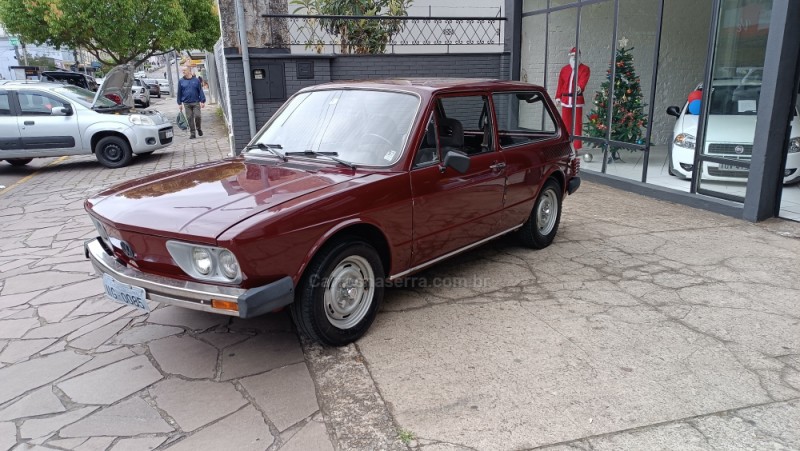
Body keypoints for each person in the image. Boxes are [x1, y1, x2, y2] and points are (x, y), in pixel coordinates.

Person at [555, 47, 591, 149]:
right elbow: (560, 84)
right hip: (566, 100)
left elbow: (583, 80)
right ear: (569, 56)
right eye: (572, 56)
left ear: (579, 57)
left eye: (575, 56)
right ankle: (566, 145)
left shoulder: (585, 69)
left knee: (577, 124)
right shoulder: (564, 69)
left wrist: (580, 86)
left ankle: (576, 147)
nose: (573, 58)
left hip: (577, 100)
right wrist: (558, 97)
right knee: (565, 123)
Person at [177, 66, 206, 139]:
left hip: (196, 102)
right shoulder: (181, 81)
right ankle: (192, 133)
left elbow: (200, 91)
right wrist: (179, 103)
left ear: (189, 71)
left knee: (197, 116)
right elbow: (179, 93)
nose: (183, 72)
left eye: (184, 70)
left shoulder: (196, 80)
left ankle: (198, 128)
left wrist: (202, 101)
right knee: (189, 118)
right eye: (182, 70)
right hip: (186, 103)